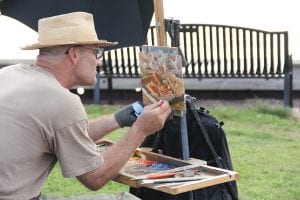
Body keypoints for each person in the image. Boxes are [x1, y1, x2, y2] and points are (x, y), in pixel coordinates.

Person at [0, 12, 171, 199]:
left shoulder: (9, 74)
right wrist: (141, 130)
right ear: (74, 54)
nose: (99, 61)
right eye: (95, 52)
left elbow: (64, 134)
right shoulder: (61, 101)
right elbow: (95, 177)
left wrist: (119, 119)